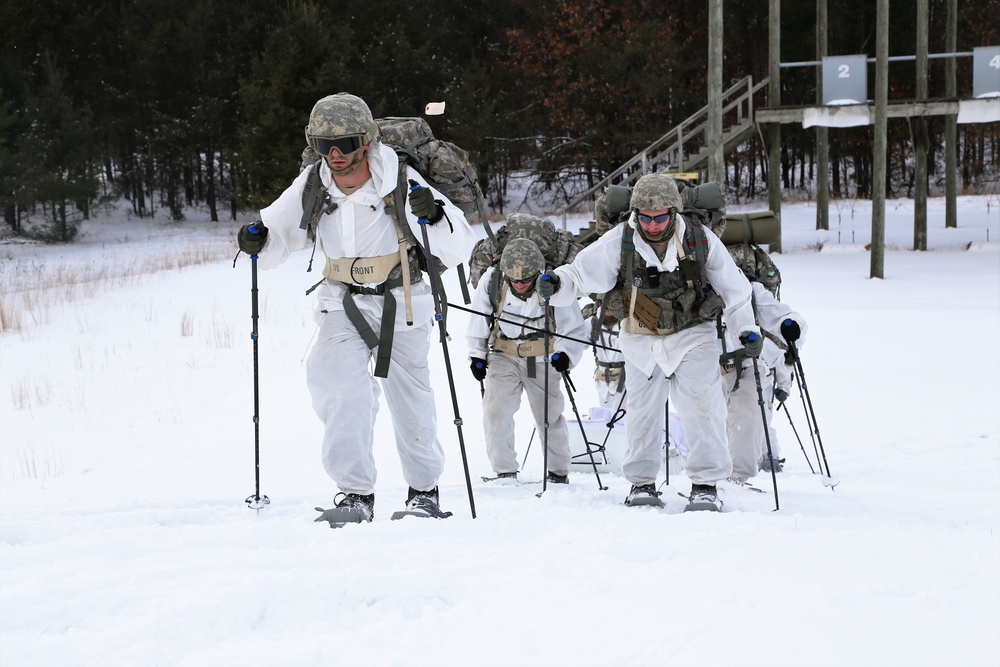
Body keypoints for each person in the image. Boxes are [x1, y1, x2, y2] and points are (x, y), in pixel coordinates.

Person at [236, 93, 476, 524]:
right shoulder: (313, 181)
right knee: (336, 386)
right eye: (323, 144)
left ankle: (424, 491)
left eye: (344, 144)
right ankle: (355, 494)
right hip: (341, 302)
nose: (334, 155)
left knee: (411, 400)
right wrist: (257, 240)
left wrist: (434, 215)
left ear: (366, 142)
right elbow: (278, 233)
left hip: (402, 302)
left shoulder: (400, 179)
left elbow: (457, 245)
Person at [537, 173, 760, 511]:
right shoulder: (620, 239)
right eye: (644, 217)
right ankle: (641, 483)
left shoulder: (699, 239)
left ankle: (705, 484)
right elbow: (582, 273)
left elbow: (736, 289)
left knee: (703, 409)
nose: (652, 225)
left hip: (693, 334)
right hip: (641, 339)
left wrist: (746, 331)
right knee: (642, 413)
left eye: (659, 217)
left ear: (674, 212)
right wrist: (558, 283)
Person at [466, 238, 587, 484]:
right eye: (514, 280)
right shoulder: (493, 280)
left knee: (549, 415)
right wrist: (476, 355)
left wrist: (566, 355)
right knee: (495, 411)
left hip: (541, 357)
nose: (519, 284)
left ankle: (557, 472)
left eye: (525, 280)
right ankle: (504, 471)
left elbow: (573, 328)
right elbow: (478, 322)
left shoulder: (553, 285)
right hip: (504, 354)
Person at [721, 282, 808, 482]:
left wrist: (792, 326)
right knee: (723, 418)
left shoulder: (750, 290)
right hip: (710, 362)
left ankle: (767, 455)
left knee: (758, 417)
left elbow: (783, 360)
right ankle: (716, 472)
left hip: (753, 367)